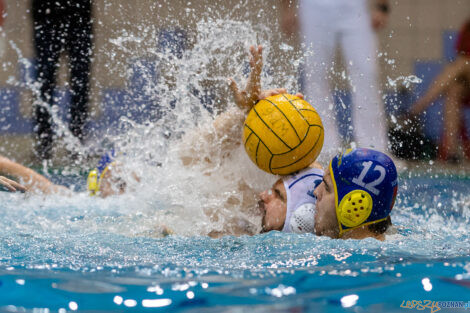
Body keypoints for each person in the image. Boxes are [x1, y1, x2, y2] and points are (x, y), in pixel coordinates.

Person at [1, 46, 398, 240]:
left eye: (276, 194)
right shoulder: (265, 212)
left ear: (354, 206)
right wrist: (248, 115)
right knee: (75, 201)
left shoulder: (266, 226)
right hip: (129, 191)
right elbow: (193, 156)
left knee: (71, 202)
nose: (263, 195)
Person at [280, 0, 390, 157]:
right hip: (313, 7)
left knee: (367, 75)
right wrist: (288, 7)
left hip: (355, 7)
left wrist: (381, 7)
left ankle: (375, 150)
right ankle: (324, 150)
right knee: (315, 77)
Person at [32, 0, 93, 159]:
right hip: (46, 17)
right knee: (44, 83)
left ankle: (77, 141)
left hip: (80, 17)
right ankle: (44, 142)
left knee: (80, 83)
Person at [408, 18, 470, 162]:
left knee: (461, 64)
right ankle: (451, 152)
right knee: (453, 91)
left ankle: (417, 108)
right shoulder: (467, 27)